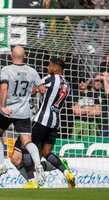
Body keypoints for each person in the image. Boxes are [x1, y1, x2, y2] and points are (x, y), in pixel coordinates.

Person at [11, 57, 75, 189]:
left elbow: (34, 91)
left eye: (49, 66)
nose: (47, 68)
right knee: (47, 153)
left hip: (40, 120)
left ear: (56, 69)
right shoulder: (67, 84)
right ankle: (67, 173)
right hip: (55, 122)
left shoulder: (48, 79)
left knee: (25, 147)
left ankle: (32, 182)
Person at [0, 46, 46, 185]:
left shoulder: (7, 69)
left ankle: (1, 164)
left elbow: (4, 87)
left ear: (11, 56)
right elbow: (43, 90)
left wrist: (2, 106)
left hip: (8, 110)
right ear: (25, 56)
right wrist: (31, 90)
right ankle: (38, 165)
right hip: (24, 111)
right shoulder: (32, 71)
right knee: (27, 141)